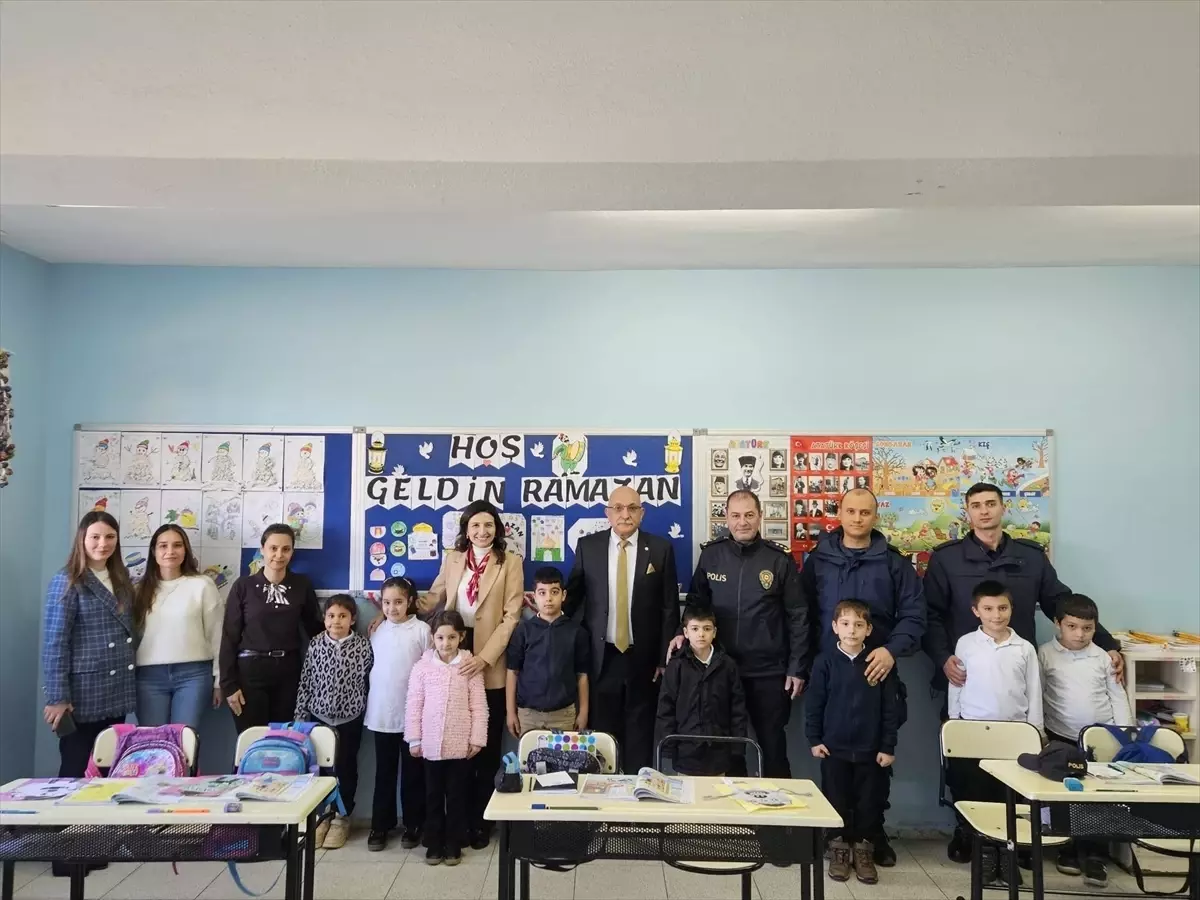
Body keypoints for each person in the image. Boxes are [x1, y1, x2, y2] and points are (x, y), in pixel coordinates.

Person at [799, 488, 924, 866]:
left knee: (875, 768)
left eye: (865, 512)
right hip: (831, 673)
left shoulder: (893, 563)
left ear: (875, 516)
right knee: (834, 768)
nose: (857, 518)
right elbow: (801, 613)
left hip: (877, 671)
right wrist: (802, 665)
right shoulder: (819, 560)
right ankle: (837, 835)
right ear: (839, 513)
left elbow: (914, 614)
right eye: (851, 511)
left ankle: (871, 835)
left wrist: (891, 650)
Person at [923, 482, 1125, 702]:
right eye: (976, 506)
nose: (984, 511)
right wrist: (943, 658)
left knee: (1024, 723)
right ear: (968, 512)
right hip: (965, 670)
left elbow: (1062, 604)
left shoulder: (1031, 557)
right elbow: (930, 613)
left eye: (991, 504)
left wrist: (1107, 645)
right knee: (961, 723)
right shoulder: (946, 559)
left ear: (1003, 507)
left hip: (1019, 668)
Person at [407, 499, 522, 849]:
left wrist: (485, 658)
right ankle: (450, 824)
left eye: (488, 525)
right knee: (455, 748)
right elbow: (433, 599)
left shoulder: (510, 562)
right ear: (466, 530)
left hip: (489, 659)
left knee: (484, 749)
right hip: (453, 658)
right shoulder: (454, 559)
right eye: (475, 525)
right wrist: (395, 610)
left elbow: (511, 617)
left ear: (497, 529)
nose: (482, 531)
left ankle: (480, 822)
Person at [676, 490, 808, 778]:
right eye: (735, 515)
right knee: (730, 750)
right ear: (726, 518)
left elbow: (798, 616)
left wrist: (797, 667)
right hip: (720, 670)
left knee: (772, 747)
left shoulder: (779, 559)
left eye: (749, 515)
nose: (742, 522)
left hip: (769, 672)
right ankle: (737, 808)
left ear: (760, 516)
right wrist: (680, 632)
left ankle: (779, 807)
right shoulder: (712, 555)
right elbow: (696, 603)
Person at [41, 511, 136, 878]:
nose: (102, 544)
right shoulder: (67, 581)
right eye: (95, 536)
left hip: (114, 690)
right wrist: (57, 697)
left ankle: (89, 845)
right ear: (82, 539)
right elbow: (55, 643)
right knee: (74, 771)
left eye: (109, 537)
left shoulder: (121, 579)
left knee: (102, 770)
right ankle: (62, 854)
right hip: (81, 694)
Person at [565, 485, 679, 772]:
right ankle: (605, 795)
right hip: (601, 657)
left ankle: (639, 796)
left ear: (642, 513)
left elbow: (669, 607)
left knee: (641, 735)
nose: (625, 514)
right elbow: (574, 600)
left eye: (632, 508)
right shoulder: (588, 547)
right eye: (618, 508)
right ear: (608, 513)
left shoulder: (661, 549)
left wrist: (663, 660)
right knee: (603, 738)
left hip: (644, 659)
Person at [946, 580, 1042, 885]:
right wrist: (954, 723)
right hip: (973, 731)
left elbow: (1034, 692)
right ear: (976, 611)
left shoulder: (1024, 648)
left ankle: (1007, 854)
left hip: (1015, 734)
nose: (996, 615)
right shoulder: (966, 644)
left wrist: (1036, 732)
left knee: (1008, 797)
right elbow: (956, 684)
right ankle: (985, 853)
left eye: (1002, 608)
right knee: (976, 793)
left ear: (1012, 609)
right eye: (988, 609)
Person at [806, 600, 904, 887]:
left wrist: (887, 746)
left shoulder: (879, 662)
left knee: (869, 802)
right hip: (833, 749)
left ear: (868, 629)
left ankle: (863, 849)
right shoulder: (824, 662)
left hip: (870, 750)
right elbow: (814, 704)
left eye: (859, 625)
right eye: (846, 624)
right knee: (836, 799)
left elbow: (890, 709)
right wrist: (814, 739)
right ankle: (838, 848)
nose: (852, 630)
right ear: (835, 627)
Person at [1038, 593, 1132, 889]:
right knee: (1065, 794)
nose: (1080, 634)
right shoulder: (1045, 654)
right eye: (1072, 626)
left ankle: (1094, 854)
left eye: (1088, 628)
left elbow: (1117, 696)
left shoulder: (1104, 657)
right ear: (1057, 624)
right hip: (1060, 735)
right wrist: (1040, 733)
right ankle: (1067, 848)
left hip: (1100, 738)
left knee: (1097, 796)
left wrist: (1125, 734)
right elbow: (1039, 693)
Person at [219, 523, 323, 733]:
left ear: (292, 551)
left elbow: (315, 630)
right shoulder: (243, 586)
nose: (279, 555)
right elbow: (229, 636)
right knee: (252, 740)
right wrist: (228, 684)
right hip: (250, 673)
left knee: (282, 739)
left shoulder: (301, 585)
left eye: (286, 549)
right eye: (273, 548)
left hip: (288, 673)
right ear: (262, 549)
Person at [406, 610, 487, 867]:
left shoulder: (469, 667)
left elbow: (479, 706)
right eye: (440, 638)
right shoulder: (422, 668)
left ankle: (454, 842)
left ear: (461, 637)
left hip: (460, 746)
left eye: (452, 637)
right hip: (430, 746)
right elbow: (414, 704)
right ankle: (433, 842)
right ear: (433, 638)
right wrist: (414, 738)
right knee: (432, 795)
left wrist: (477, 738)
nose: (446, 643)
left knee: (456, 796)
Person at [293, 594, 373, 849]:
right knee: (322, 770)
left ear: (353, 619)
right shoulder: (316, 644)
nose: (336, 621)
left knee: (346, 767)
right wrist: (300, 716)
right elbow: (306, 681)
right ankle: (322, 817)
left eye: (342, 616)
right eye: (331, 616)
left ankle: (342, 816)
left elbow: (369, 683)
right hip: (319, 717)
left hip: (350, 718)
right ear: (324, 618)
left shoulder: (363, 646)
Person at [133, 524, 224, 730]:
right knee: (152, 741)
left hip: (193, 676)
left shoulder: (202, 585)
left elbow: (217, 635)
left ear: (186, 550)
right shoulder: (138, 590)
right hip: (148, 678)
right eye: (163, 546)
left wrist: (219, 680)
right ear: (153, 551)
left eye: (177, 545)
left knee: (185, 740)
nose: (170, 551)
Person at [366, 577, 432, 853]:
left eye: (398, 602)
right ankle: (381, 824)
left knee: (413, 774)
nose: (392, 608)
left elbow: (430, 670)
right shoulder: (377, 629)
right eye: (386, 602)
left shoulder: (422, 630)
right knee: (384, 772)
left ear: (410, 602)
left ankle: (414, 824)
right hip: (382, 712)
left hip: (413, 715)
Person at [655, 605, 747, 775]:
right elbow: (666, 708)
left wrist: (737, 747)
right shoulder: (676, 666)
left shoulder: (728, 666)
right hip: (685, 751)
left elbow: (738, 709)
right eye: (695, 629)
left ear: (715, 632)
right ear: (686, 632)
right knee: (687, 790)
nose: (701, 634)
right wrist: (668, 747)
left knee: (718, 790)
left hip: (719, 752)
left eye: (707, 629)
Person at [506, 567, 590, 737]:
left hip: (563, 715)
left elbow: (582, 676)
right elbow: (512, 672)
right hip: (528, 715)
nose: (549, 598)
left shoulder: (576, 632)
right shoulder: (523, 631)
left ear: (563, 595)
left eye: (554, 592)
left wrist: (583, 713)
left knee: (563, 755)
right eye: (542, 593)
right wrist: (511, 712)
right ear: (534, 597)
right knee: (529, 755)